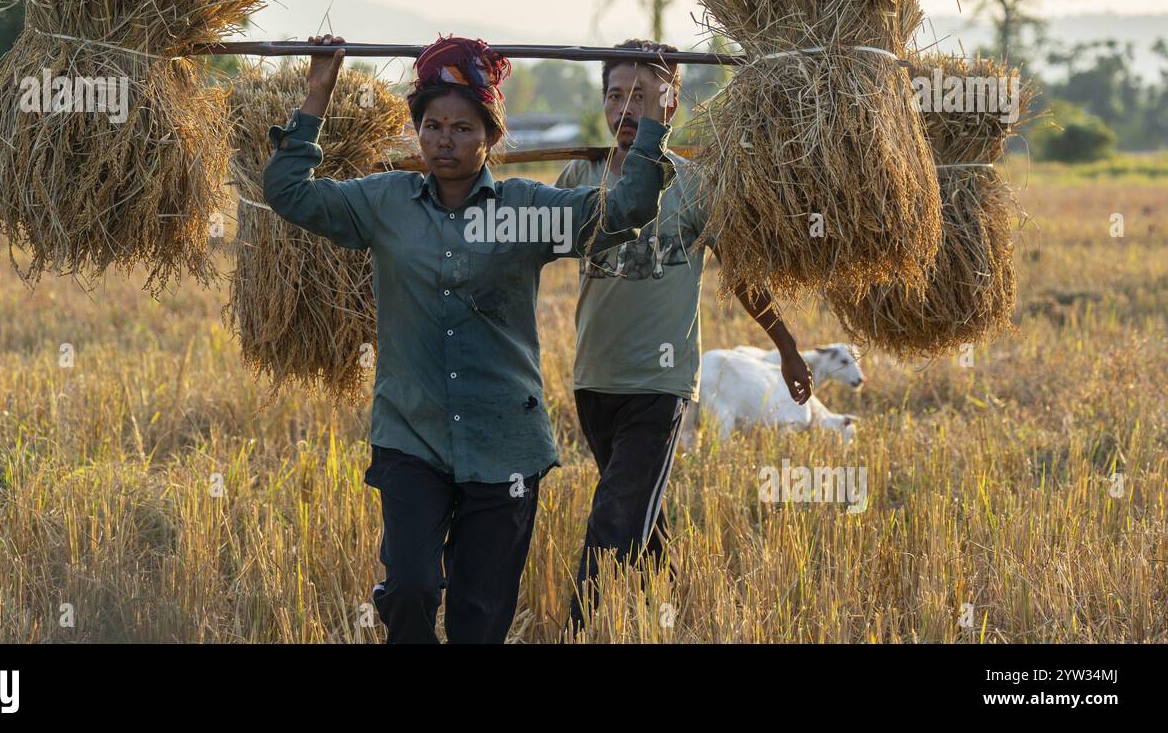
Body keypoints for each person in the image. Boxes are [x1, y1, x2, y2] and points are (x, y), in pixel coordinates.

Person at [263, 33, 675, 643]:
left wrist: (654, 121)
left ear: (491, 136)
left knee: (479, 620)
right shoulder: (385, 203)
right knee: (409, 586)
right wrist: (318, 91)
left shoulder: (526, 210)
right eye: (432, 126)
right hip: (412, 434)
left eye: (461, 128)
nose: (444, 141)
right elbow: (289, 192)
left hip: (504, 446)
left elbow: (625, 209)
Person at [554, 39, 814, 636]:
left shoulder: (695, 186)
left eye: (641, 96)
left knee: (615, 519)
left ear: (670, 106)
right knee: (641, 514)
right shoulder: (581, 176)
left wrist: (787, 346)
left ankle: (574, 630)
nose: (625, 109)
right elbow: (530, 249)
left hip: (661, 383)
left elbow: (744, 277)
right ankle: (678, 616)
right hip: (593, 379)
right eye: (615, 95)